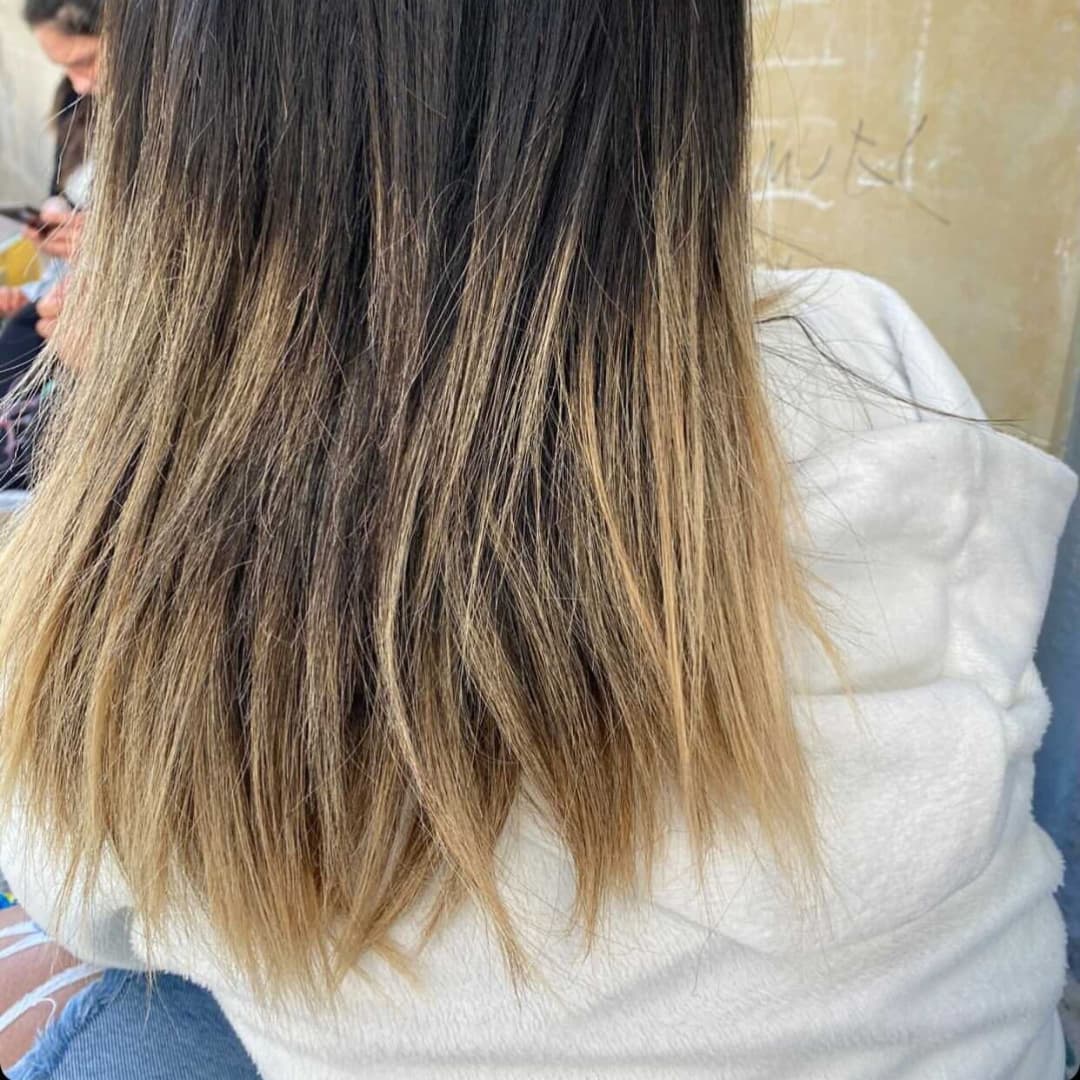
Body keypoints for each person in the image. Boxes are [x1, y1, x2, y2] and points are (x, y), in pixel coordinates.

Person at [0, 1, 1076, 1078]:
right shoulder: (869, 349)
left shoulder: (123, 589)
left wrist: (150, 381)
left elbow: (78, 889)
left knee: (137, 1011)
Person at [0, 0, 98, 488]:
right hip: (57, 304)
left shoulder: (182, 128)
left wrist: (98, 243)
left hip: (93, 321)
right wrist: (50, 224)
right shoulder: (77, 106)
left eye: (85, 61)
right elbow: (58, 193)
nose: (78, 83)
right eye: (64, 68)